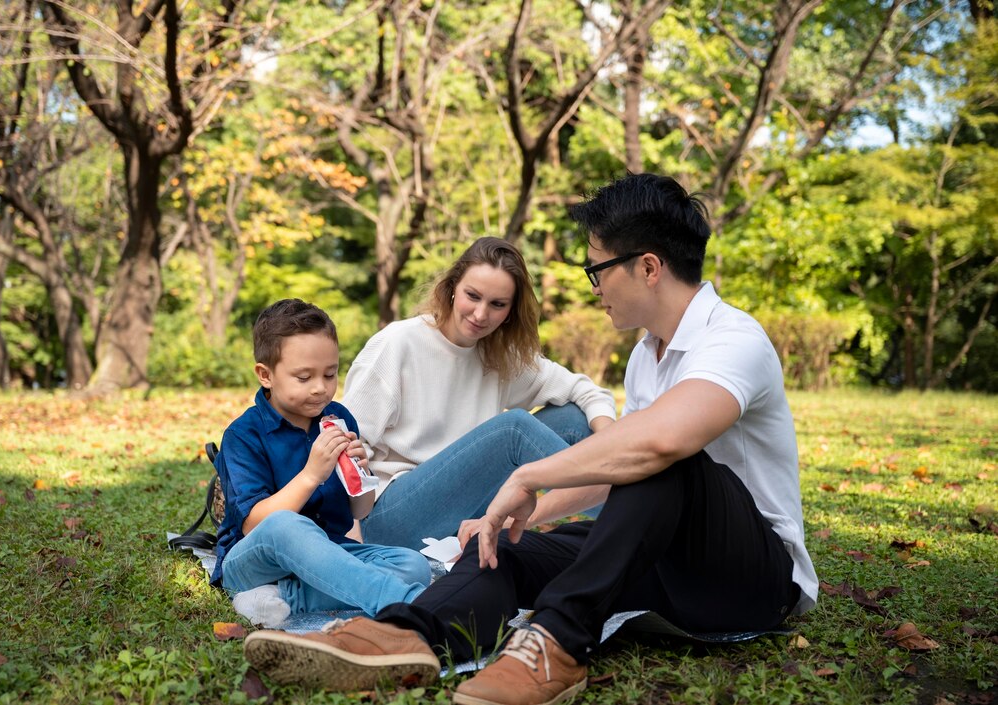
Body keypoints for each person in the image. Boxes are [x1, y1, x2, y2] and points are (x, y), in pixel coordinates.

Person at [241, 174, 820, 705]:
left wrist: (526, 477)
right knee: (501, 546)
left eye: (597, 270)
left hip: (751, 576)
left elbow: (659, 448)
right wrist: (517, 512)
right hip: (663, 564)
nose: (594, 287)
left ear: (647, 267)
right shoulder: (648, 356)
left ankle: (556, 644)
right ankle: (407, 637)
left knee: (662, 456)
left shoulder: (734, 340)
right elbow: (614, 472)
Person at [341, 236, 617, 549]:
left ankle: (630, 498)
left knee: (573, 417)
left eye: (497, 304)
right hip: (391, 518)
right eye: (472, 296)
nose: (481, 314)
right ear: (452, 287)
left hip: (467, 509)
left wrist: (609, 443)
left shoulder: (498, 356)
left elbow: (588, 391)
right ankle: (632, 500)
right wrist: (351, 539)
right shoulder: (397, 344)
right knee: (513, 428)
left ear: (510, 311)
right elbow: (344, 444)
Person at [210, 299, 432, 628]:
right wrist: (312, 474)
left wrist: (361, 473)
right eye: (304, 377)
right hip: (252, 561)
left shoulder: (339, 418)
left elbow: (360, 511)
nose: (320, 388)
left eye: (330, 374)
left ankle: (287, 598)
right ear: (265, 375)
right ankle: (407, 603)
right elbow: (256, 525)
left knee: (413, 565)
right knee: (288, 525)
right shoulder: (244, 435)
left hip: (326, 551)